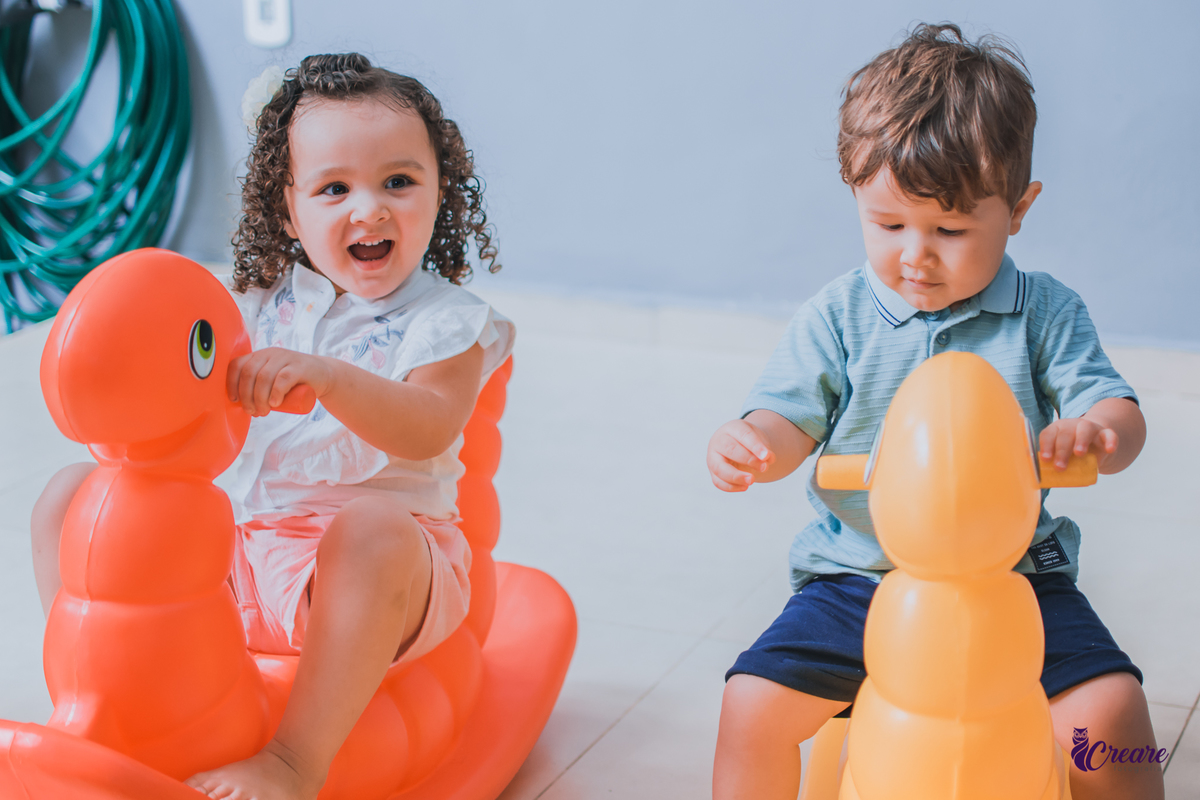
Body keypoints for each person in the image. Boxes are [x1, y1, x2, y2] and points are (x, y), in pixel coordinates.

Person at [30, 53, 513, 800]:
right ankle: (86, 703)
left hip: (369, 582)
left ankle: (294, 760)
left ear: (439, 191)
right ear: (289, 210)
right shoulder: (255, 302)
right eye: (333, 189)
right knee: (71, 496)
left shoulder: (448, 323)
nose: (370, 209)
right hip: (236, 551)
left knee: (372, 529)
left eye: (399, 181)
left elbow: (427, 428)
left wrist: (328, 377)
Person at [706, 24, 1161, 800]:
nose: (916, 254)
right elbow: (786, 419)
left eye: (950, 230)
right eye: (889, 226)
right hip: (859, 575)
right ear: (854, 193)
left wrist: (1099, 431)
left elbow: (1116, 412)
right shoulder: (839, 315)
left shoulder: (1043, 313)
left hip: (1015, 577)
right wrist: (753, 443)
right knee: (750, 704)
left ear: (1018, 209)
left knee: (1112, 714)